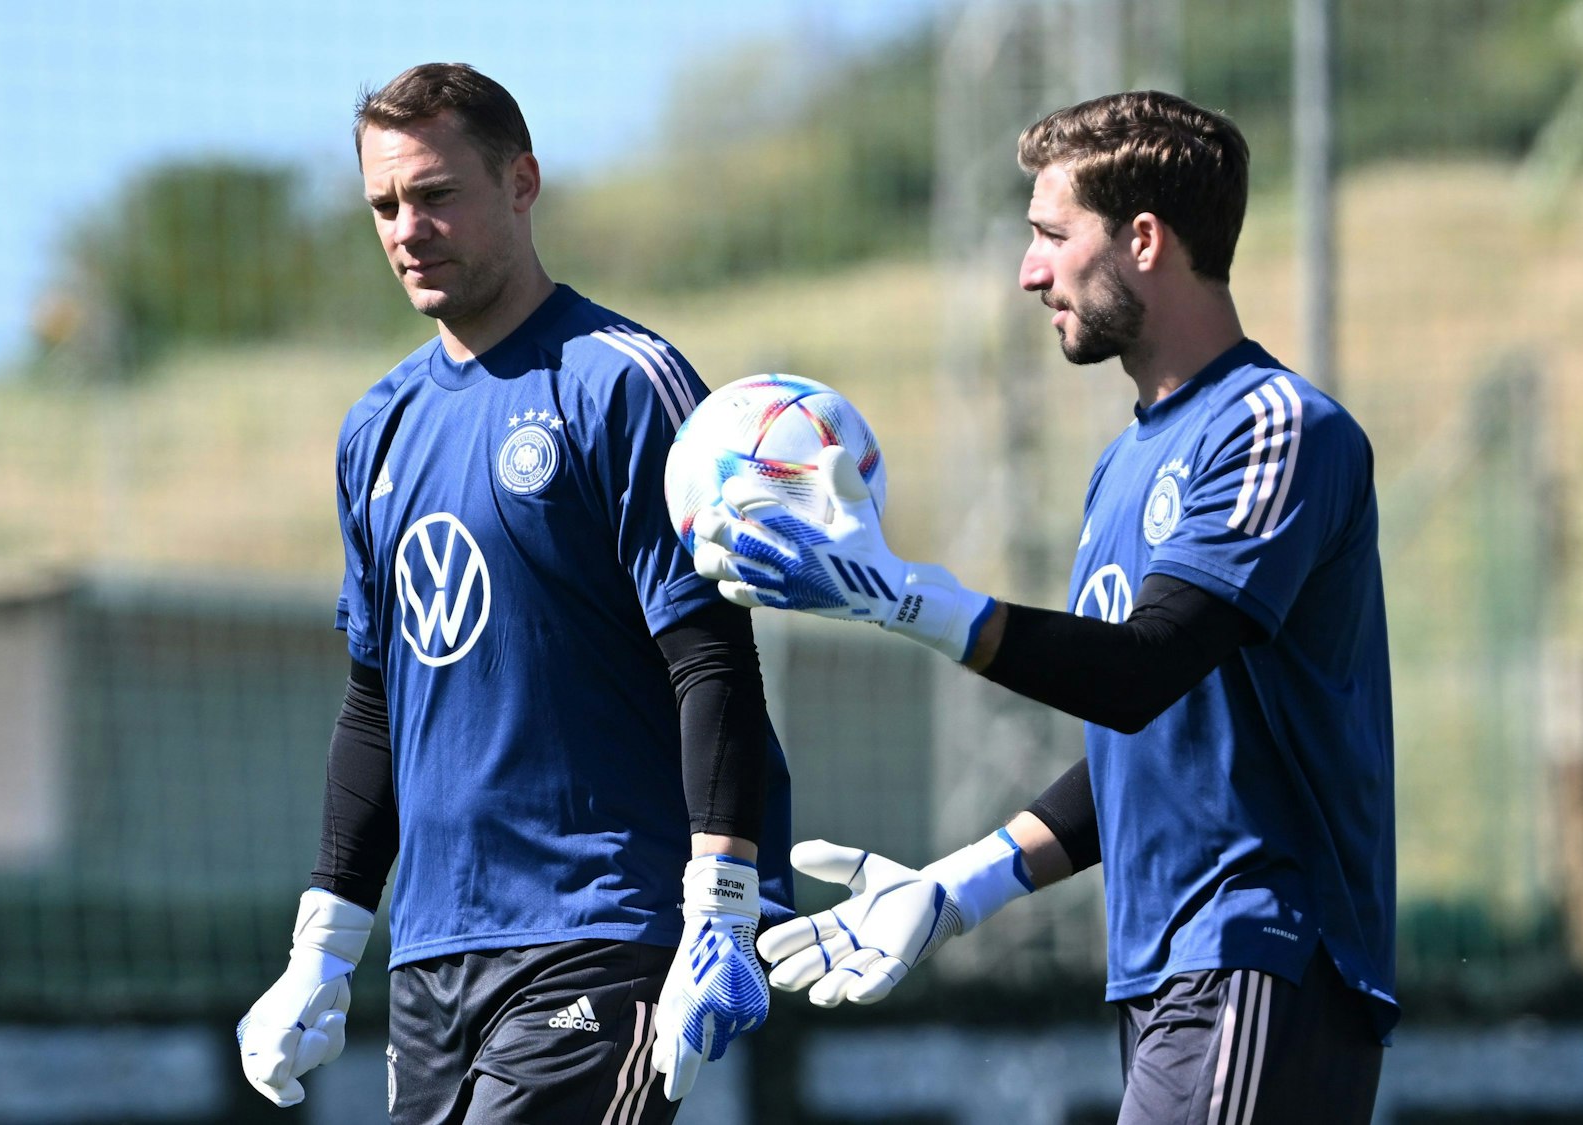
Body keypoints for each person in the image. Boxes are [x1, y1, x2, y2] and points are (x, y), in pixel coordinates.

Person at [692, 90, 1395, 1123]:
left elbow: (1141, 669)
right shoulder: (1123, 463)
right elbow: (1150, 738)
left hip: (1260, 951)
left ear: (1142, 240)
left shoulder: (1276, 428)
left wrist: (906, 600)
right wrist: (958, 887)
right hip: (1172, 971)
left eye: (1050, 236)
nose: (1029, 271)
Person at [235, 62, 794, 1124]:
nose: (408, 228)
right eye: (385, 206)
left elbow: (711, 658)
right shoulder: (377, 427)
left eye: (437, 194)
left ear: (521, 182)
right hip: (432, 954)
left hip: (601, 929)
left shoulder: (622, 381)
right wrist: (320, 950)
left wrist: (720, 908)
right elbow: (374, 704)